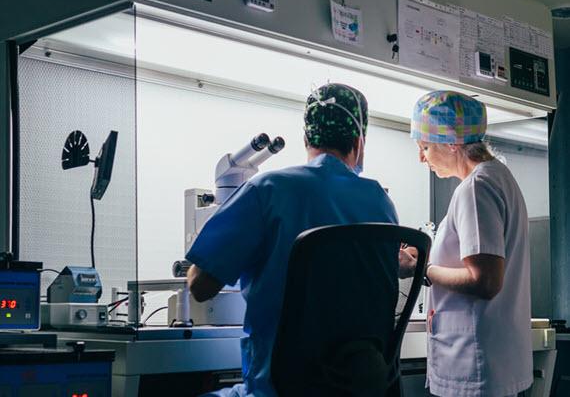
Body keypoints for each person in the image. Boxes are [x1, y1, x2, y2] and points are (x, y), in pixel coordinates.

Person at [185, 83, 398, 396]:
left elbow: (200, 287)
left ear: (306, 139)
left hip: (278, 388)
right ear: (359, 141)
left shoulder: (268, 189)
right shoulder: (382, 202)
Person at [400, 90, 532, 397]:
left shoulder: (476, 187)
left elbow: (484, 280)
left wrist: (421, 268)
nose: (421, 157)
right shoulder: (498, 178)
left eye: (425, 146)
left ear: (452, 142)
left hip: (475, 364)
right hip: (490, 360)